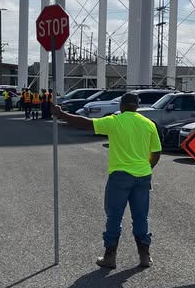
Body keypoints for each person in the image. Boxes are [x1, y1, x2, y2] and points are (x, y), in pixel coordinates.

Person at [52, 92, 161, 269]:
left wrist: (62, 114)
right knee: (141, 216)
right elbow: (156, 152)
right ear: (137, 106)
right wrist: (147, 169)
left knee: (114, 216)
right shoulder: (149, 124)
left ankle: (110, 257)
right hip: (142, 176)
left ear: (121, 106)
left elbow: (85, 123)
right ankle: (144, 256)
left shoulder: (114, 121)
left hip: (120, 175)